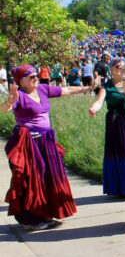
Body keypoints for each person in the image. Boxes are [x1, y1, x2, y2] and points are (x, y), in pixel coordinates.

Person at [2, 65, 92, 230]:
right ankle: (30, 218)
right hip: (29, 143)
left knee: (49, 176)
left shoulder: (42, 89)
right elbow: (5, 109)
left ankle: (45, 213)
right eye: (31, 77)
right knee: (34, 177)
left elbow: (65, 90)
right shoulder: (19, 96)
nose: (35, 78)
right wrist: (9, 101)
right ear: (21, 81)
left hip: (46, 140)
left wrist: (88, 88)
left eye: (36, 75)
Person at [88, 57, 125, 197]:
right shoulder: (107, 86)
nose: (120, 69)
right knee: (122, 153)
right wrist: (94, 108)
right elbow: (99, 101)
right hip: (116, 123)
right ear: (111, 69)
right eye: (117, 66)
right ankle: (124, 187)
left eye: (123, 66)